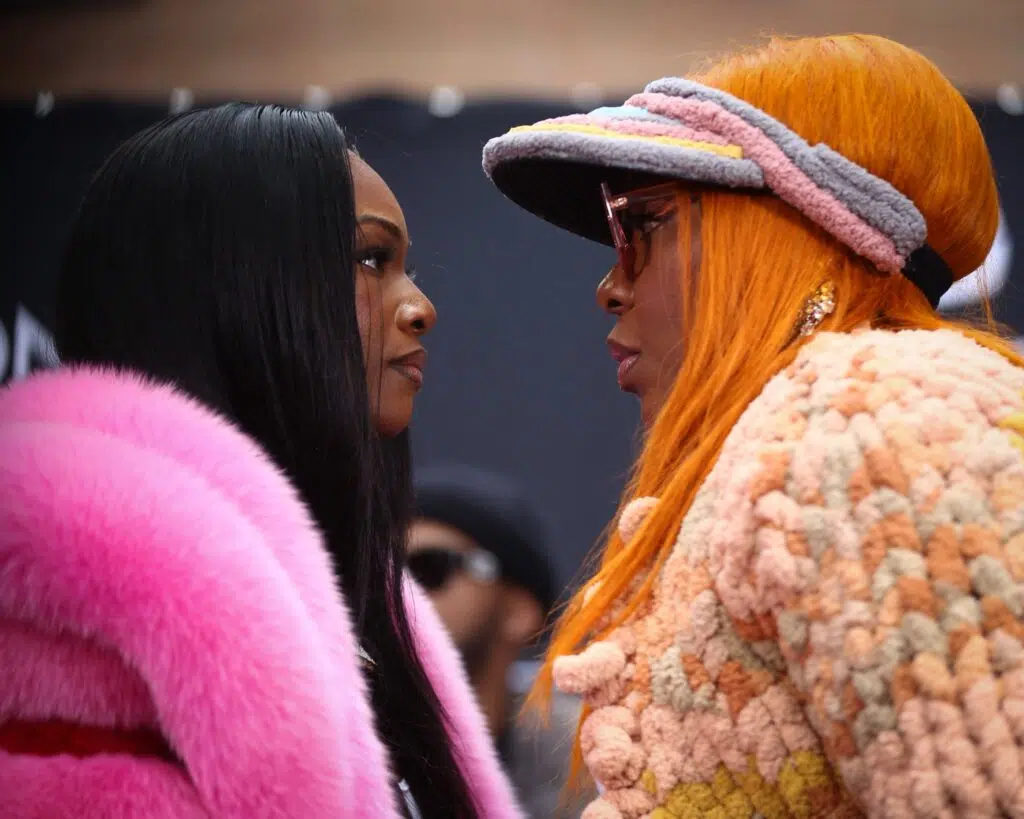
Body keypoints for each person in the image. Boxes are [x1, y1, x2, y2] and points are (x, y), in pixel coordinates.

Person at [483, 35, 1024, 819]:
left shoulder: (866, 419)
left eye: (640, 224)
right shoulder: (836, 420)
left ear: (806, 227)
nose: (610, 284)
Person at [0, 103, 522, 819]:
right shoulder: (71, 622)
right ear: (230, 285)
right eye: (371, 258)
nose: (421, 307)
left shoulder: (359, 610)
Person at [408, 465, 592, 817]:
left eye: (428, 568)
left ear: (517, 612)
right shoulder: (340, 753)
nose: (399, 593)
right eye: (382, 574)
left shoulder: (599, 766)